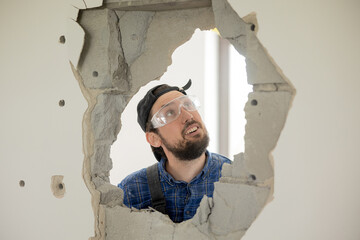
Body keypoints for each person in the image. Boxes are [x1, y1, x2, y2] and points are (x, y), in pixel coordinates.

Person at [118, 80, 231, 223]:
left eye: (188, 105)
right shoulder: (131, 191)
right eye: (170, 112)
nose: (188, 116)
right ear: (154, 139)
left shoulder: (234, 178)